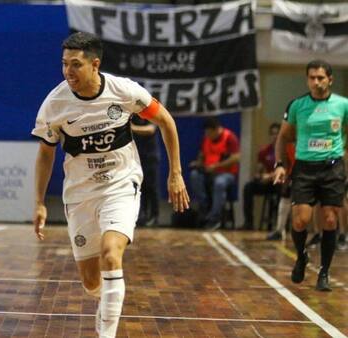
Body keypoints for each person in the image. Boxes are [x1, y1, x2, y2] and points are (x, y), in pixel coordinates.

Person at [31, 32, 189, 338]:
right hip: (80, 193)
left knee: (111, 253)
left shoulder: (123, 91)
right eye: (64, 64)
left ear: (95, 64)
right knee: (92, 282)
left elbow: (166, 120)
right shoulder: (54, 104)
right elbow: (45, 154)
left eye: (75, 65)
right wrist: (38, 202)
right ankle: (107, 303)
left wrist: (176, 173)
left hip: (120, 184)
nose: (68, 72)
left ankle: (107, 334)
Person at [273, 59, 348, 292]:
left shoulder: (343, 105)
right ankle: (302, 256)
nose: (316, 82)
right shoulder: (297, 105)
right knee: (300, 220)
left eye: (320, 78)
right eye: (312, 78)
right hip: (305, 167)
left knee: (329, 220)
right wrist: (280, 164)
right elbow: (284, 137)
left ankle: (324, 272)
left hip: (332, 167)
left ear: (330, 79)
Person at [189, 117, 240, 230]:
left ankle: (214, 218)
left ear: (217, 130)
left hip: (226, 173)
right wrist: (198, 164)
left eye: (209, 132)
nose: (207, 135)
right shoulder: (206, 139)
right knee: (194, 176)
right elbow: (202, 155)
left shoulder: (229, 138)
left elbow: (235, 158)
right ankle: (205, 208)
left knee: (219, 183)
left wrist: (216, 167)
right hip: (208, 172)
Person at [243, 123, 280, 229]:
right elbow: (258, 170)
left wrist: (270, 176)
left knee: (281, 188)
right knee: (248, 187)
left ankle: (278, 224)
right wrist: (259, 176)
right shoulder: (264, 151)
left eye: (277, 134)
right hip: (267, 183)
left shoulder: (286, 150)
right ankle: (248, 222)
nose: (275, 136)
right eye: (273, 134)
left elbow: (287, 170)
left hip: (280, 183)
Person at [131, 115, 160, 226]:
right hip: (137, 156)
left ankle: (154, 216)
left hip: (150, 156)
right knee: (139, 187)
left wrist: (132, 128)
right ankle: (141, 216)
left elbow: (151, 129)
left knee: (152, 187)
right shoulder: (133, 115)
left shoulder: (150, 114)